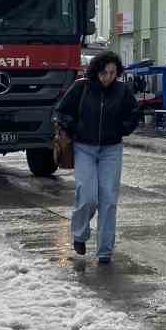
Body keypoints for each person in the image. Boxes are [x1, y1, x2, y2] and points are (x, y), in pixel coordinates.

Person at [54, 51, 139, 265]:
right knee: (88, 196)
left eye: (112, 73)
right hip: (84, 148)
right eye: (104, 72)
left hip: (111, 149)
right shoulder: (81, 87)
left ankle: (104, 252)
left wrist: (124, 128)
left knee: (109, 200)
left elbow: (134, 113)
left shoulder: (122, 91)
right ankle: (80, 235)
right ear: (96, 71)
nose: (108, 77)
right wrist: (73, 126)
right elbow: (61, 111)